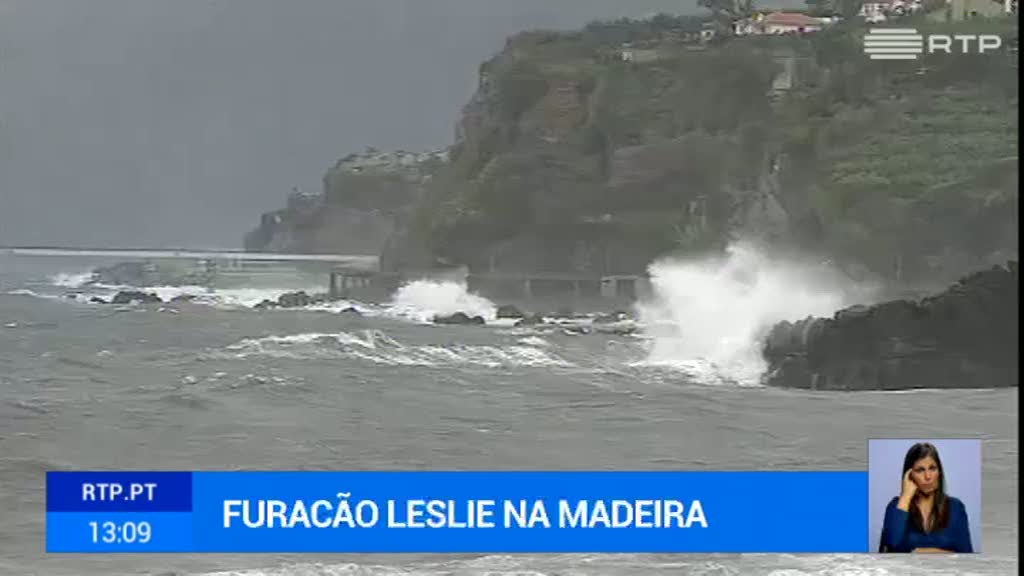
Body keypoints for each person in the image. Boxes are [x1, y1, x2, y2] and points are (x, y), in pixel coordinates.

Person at [879, 442, 974, 553]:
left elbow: (967, 557)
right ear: (909, 475)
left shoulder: (956, 507)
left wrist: (924, 552)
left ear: (939, 472)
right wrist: (905, 496)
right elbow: (891, 546)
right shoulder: (896, 506)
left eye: (932, 468)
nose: (928, 477)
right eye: (920, 470)